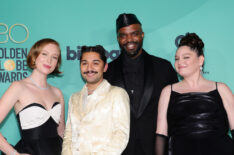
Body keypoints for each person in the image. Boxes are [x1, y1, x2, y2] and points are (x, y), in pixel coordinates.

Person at [104, 13, 178, 155]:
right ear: (118, 38)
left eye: (134, 34)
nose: (129, 39)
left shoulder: (163, 68)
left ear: (142, 35)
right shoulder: (107, 72)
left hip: (155, 147)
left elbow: (175, 111)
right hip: (119, 149)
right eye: (123, 35)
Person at [155, 33, 234, 155]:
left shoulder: (221, 89)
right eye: (176, 58)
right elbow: (161, 133)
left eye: (186, 57)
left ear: (200, 60)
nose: (180, 62)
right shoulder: (167, 91)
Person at [0, 38, 65, 155]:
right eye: (44, 54)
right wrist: (14, 154)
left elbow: (61, 131)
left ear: (57, 63)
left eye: (54, 57)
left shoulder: (57, 93)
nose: (49, 60)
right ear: (34, 56)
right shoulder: (18, 87)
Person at [62, 45, 130, 155]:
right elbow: (69, 134)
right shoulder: (74, 98)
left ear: (105, 67)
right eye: (84, 63)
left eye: (95, 63)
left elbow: (121, 134)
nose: (89, 68)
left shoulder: (117, 94)